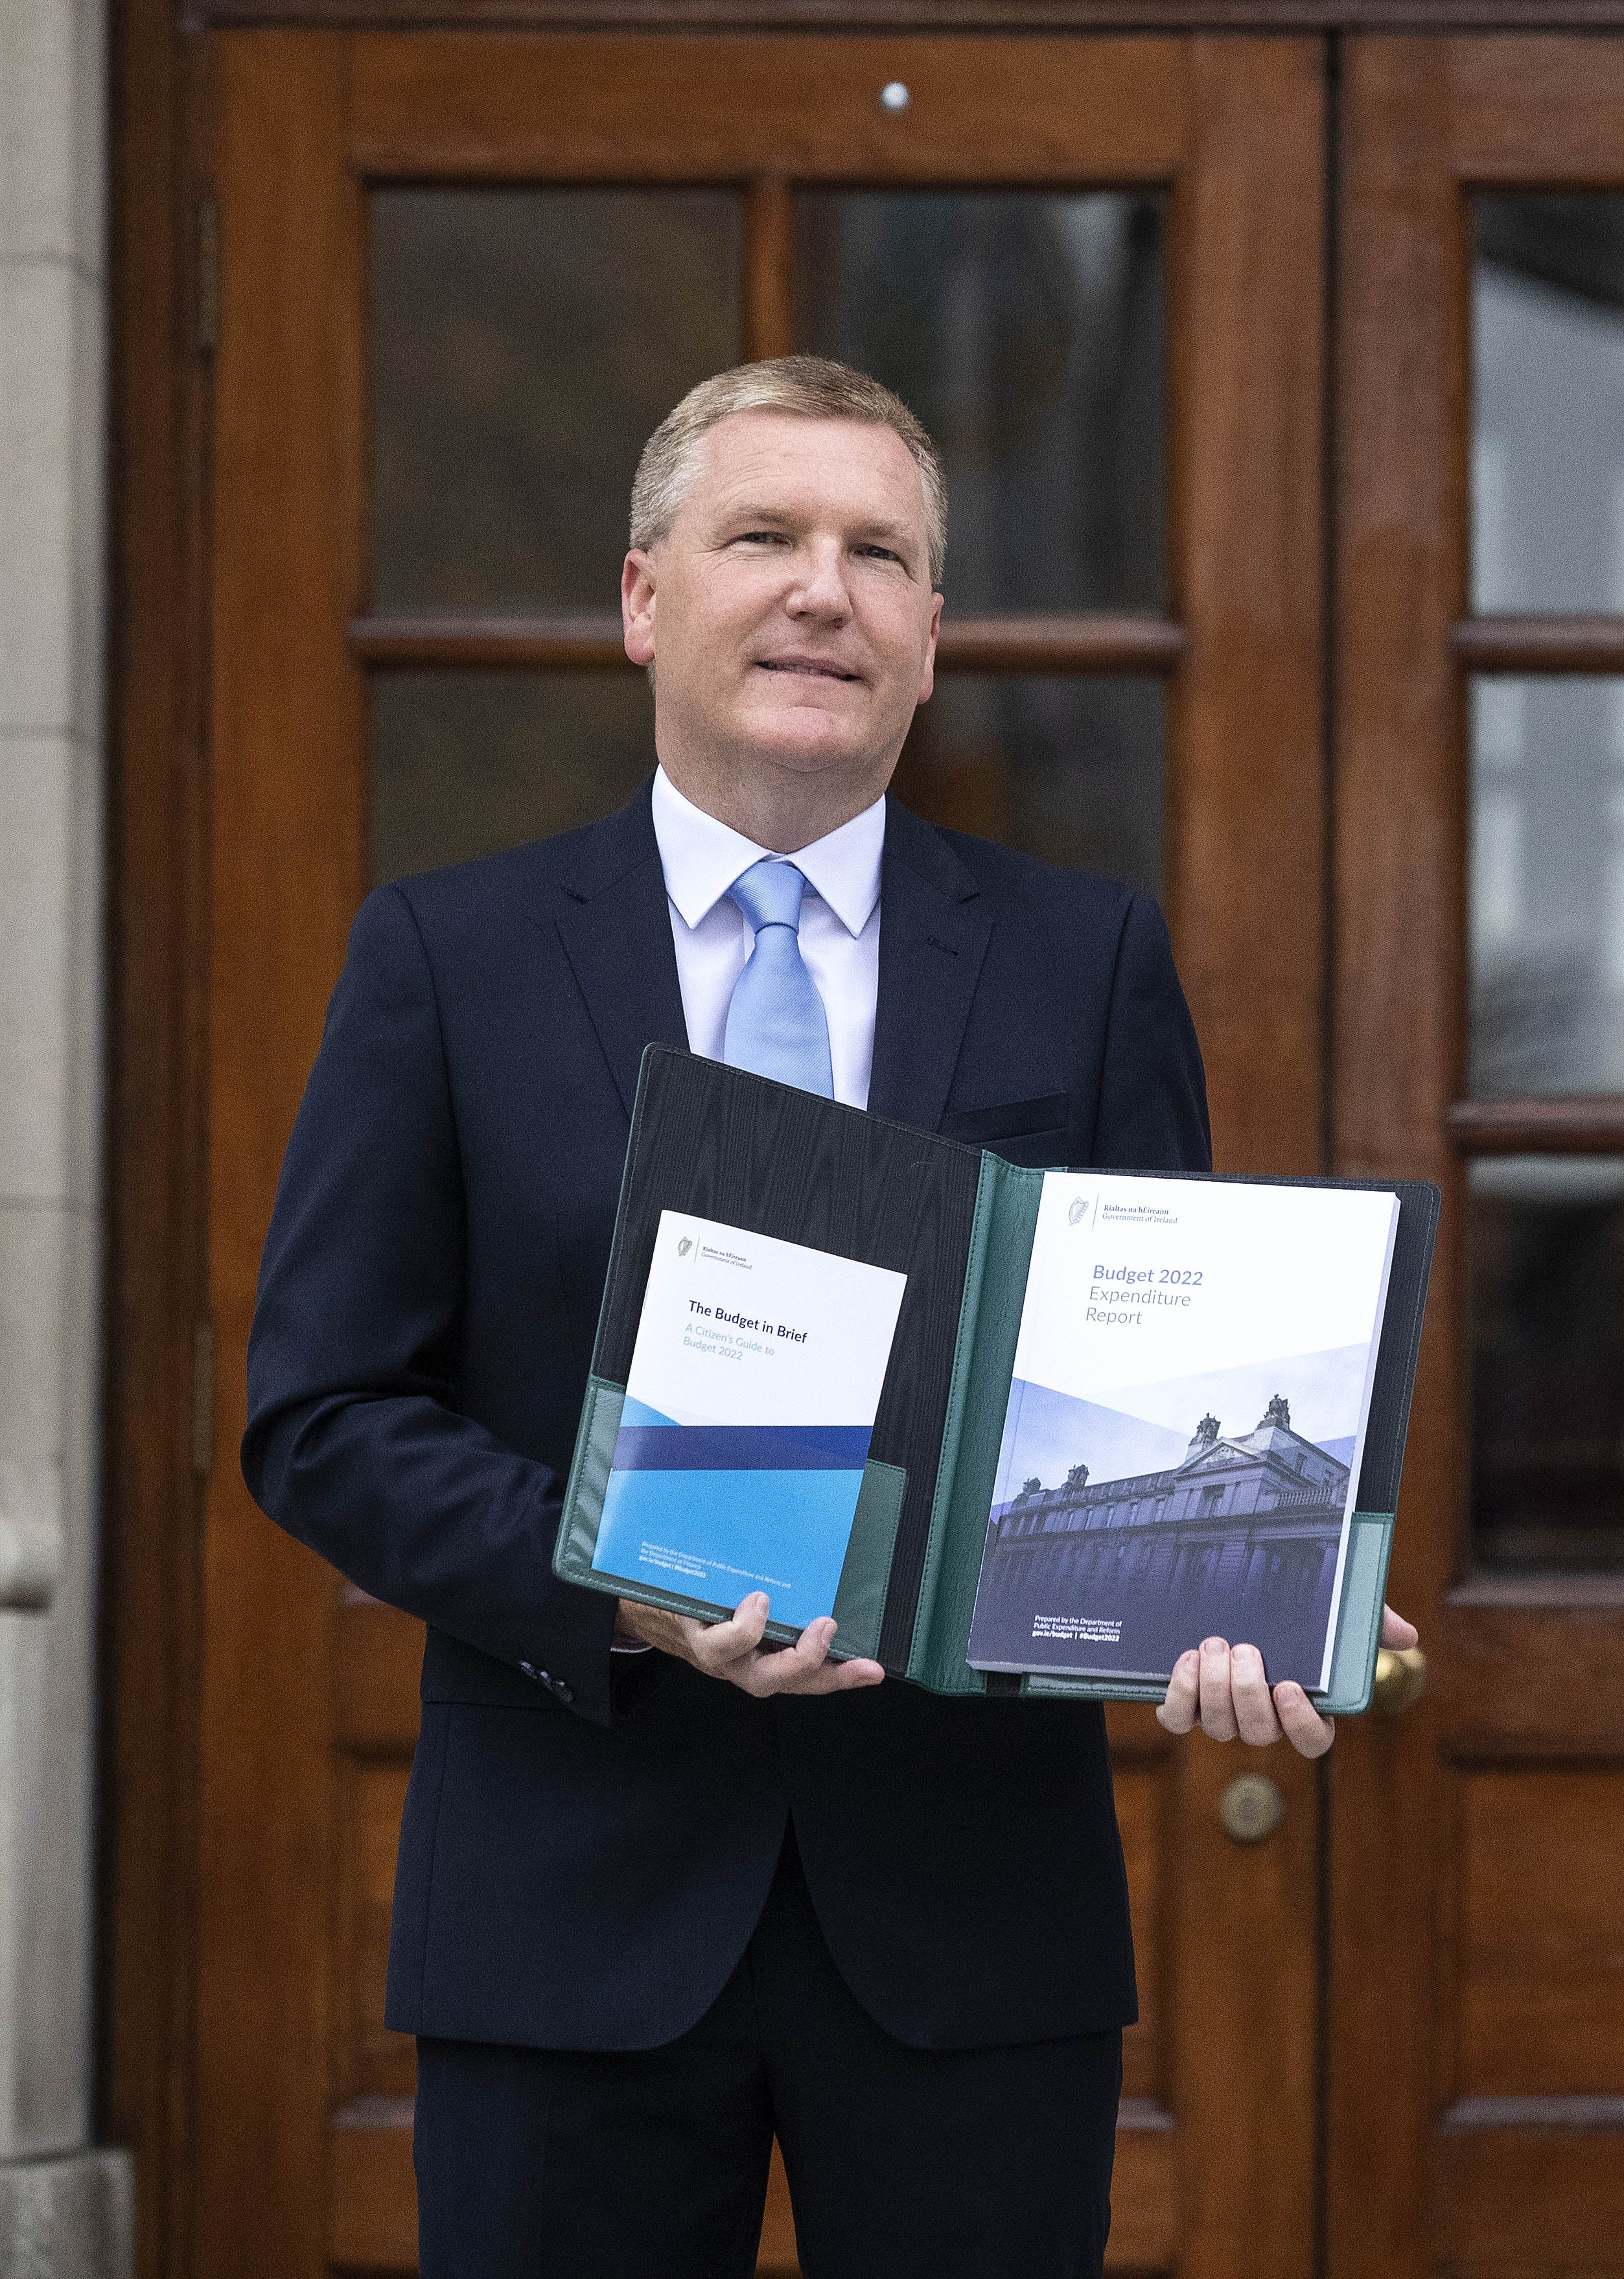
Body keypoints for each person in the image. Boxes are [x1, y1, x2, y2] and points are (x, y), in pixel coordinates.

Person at [244, 356, 1398, 2278]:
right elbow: (324, 1412)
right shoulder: (446, 957)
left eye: (879, 554)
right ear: (644, 598)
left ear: (930, 641)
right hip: (567, 1913)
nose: (821, 590)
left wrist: (1240, 1602)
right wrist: (618, 1584)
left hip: (968, 1925)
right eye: (763, 535)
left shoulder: (1080, 958)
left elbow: (1159, 1381)